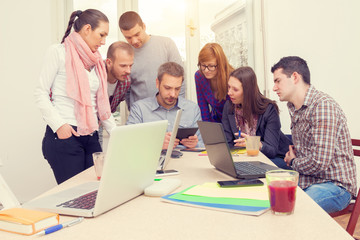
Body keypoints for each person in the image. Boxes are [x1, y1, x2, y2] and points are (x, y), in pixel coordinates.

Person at [34, 9, 116, 184]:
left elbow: (100, 106)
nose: (103, 42)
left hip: (91, 134)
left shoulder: (96, 63)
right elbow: (40, 93)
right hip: (66, 134)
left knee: (96, 189)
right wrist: (59, 125)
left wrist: (117, 134)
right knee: (73, 196)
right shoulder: (58, 52)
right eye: (101, 35)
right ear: (87, 29)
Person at [271, 56, 357, 213]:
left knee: (293, 208)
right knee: (270, 196)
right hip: (308, 178)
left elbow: (319, 163)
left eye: (278, 81)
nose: (274, 88)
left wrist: (293, 161)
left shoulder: (322, 106)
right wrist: (297, 154)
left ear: (295, 77)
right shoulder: (295, 107)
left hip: (335, 185)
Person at [222, 66, 292, 169]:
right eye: (229, 87)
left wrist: (252, 143)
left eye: (235, 89)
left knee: (246, 167)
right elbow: (228, 142)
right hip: (248, 157)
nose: (229, 93)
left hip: (277, 158)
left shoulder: (269, 109)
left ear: (247, 91)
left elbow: (272, 151)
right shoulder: (229, 106)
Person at [126, 62, 203, 149]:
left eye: (177, 89)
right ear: (157, 83)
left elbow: (202, 146)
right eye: (167, 88)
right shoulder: (139, 109)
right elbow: (128, 143)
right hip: (152, 160)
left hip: (184, 160)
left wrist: (195, 145)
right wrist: (156, 144)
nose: (173, 94)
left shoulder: (192, 109)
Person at [118, 11, 186, 108]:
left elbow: (180, 79)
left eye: (137, 34)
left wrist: (178, 108)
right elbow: (126, 89)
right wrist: (134, 110)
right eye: (128, 37)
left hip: (169, 110)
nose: (134, 41)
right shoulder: (125, 54)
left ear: (144, 26)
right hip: (140, 115)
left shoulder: (166, 44)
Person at [195, 43, 234, 122]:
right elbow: (203, 109)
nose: (206, 70)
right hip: (215, 122)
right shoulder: (199, 76)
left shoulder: (232, 77)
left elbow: (237, 112)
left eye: (211, 66)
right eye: (203, 65)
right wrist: (208, 131)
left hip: (233, 123)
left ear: (221, 64)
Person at [105, 41, 134, 113]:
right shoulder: (94, 76)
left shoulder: (126, 81)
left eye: (130, 65)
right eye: (123, 66)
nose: (128, 71)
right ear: (109, 63)